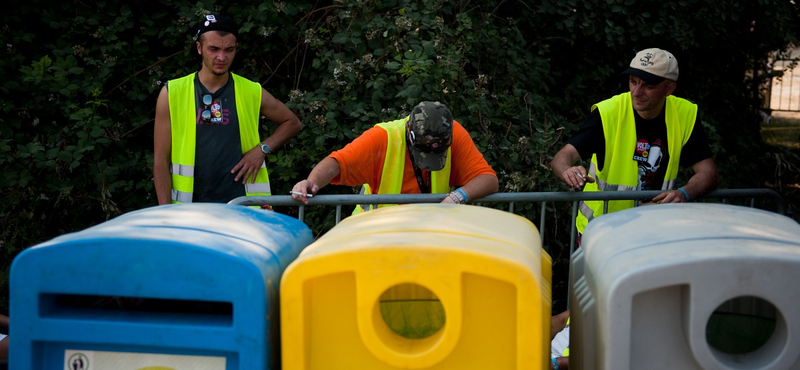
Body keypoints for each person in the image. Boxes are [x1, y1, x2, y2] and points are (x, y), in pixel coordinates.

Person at [550, 48, 719, 236]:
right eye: (633, 82)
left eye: (648, 85)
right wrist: (567, 170)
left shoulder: (684, 114)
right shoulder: (608, 112)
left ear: (669, 89)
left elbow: (709, 174)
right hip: (601, 231)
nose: (636, 92)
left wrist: (683, 194)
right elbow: (563, 156)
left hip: (651, 230)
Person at [154, 14, 301, 204]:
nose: (221, 57)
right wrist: (165, 216)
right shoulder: (172, 92)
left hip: (245, 207)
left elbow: (293, 123)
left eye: (229, 50)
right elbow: (160, 161)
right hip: (188, 210)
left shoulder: (251, 90)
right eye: (213, 49)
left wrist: (262, 149)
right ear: (199, 48)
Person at [291, 101, 498, 209]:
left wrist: (457, 197)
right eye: (424, 153)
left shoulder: (453, 133)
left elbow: (488, 179)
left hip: (427, 235)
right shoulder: (382, 137)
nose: (428, 163)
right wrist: (312, 182)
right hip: (376, 235)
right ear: (409, 131)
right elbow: (336, 162)